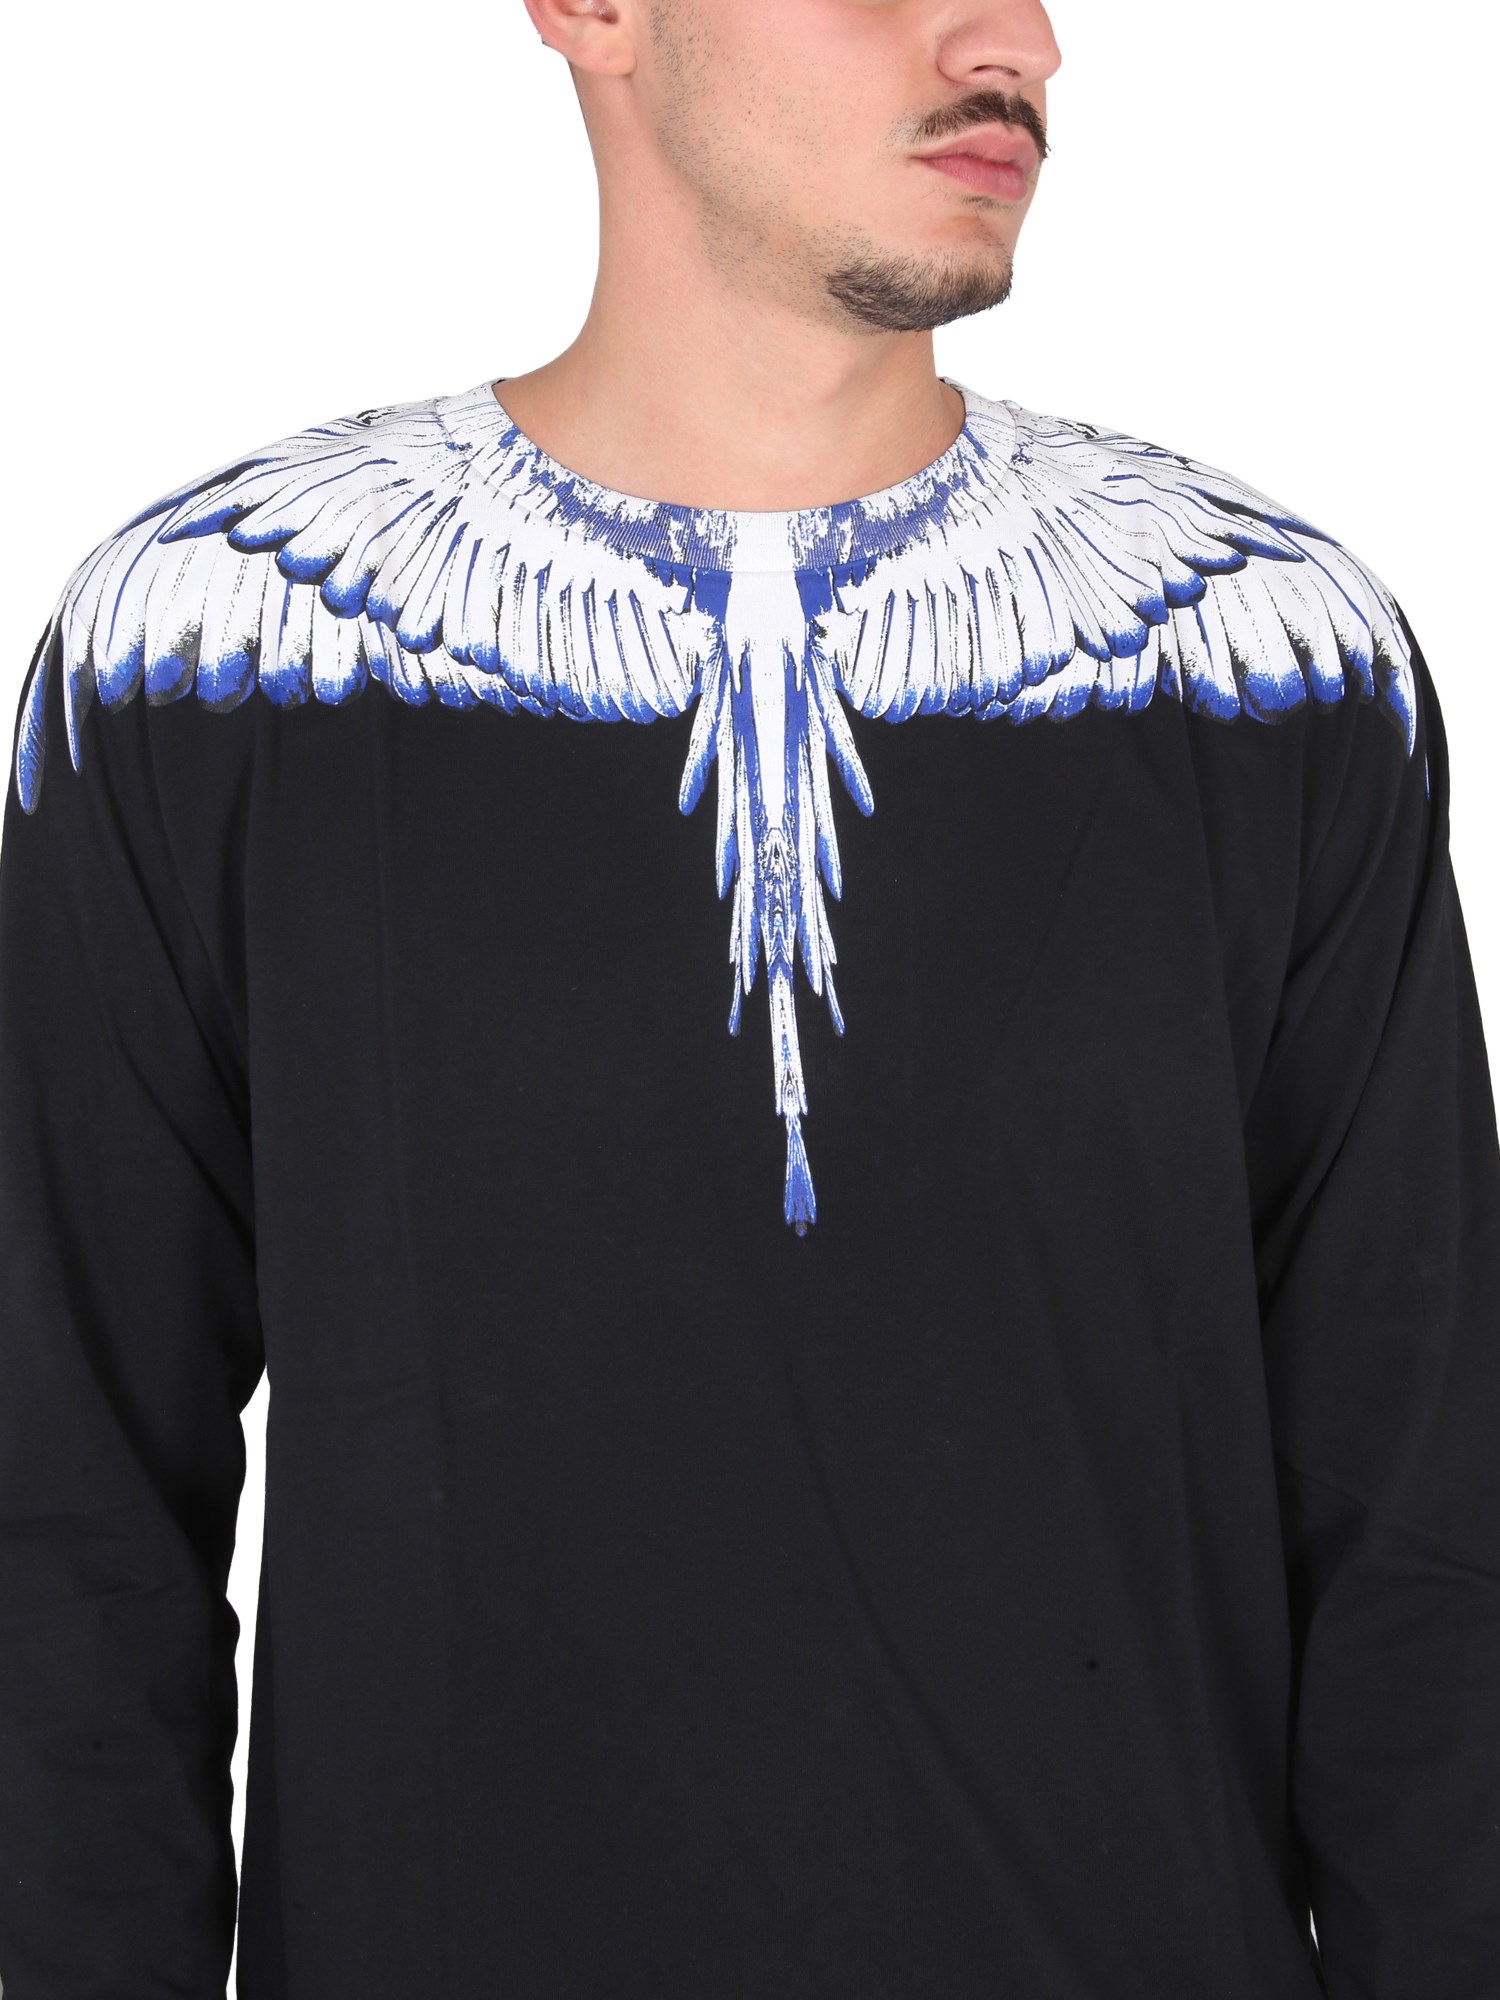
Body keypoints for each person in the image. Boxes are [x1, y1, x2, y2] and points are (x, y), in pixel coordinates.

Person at [1, 0, 1495, 1993]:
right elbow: (69, 1541)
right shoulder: (205, 666)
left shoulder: (1273, 665)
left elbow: (1429, 1546)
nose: (1018, 40)